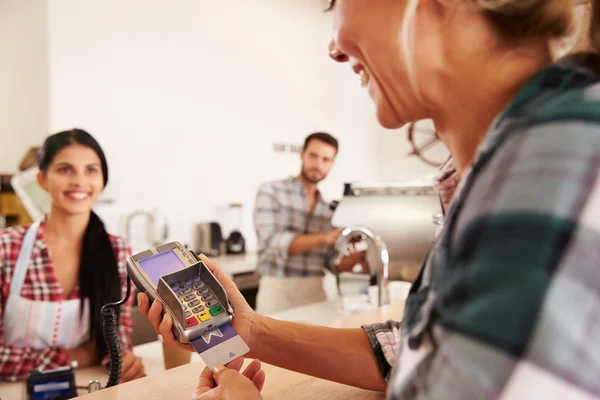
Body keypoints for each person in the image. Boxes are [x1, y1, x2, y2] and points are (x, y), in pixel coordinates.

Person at [141, 0, 600, 399]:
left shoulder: (549, 173)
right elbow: (413, 353)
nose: (334, 48)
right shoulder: (518, 164)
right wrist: (250, 329)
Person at [0, 129, 145, 383]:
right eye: (65, 169)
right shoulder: (7, 249)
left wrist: (123, 360)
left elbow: (118, 335)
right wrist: (69, 358)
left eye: (91, 170)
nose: (79, 181)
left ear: (102, 181)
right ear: (42, 179)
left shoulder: (118, 251)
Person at [253, 132, 366, 314]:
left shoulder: (327, 209)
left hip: (314, 293)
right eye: (313, 156)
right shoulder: (271, 191)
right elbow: (271, 242)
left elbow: (332, 263)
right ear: (302, 154)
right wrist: (325, 238)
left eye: (326, 159)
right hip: (277, 291)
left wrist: (362, 255)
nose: (318, 164)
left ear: (332, 164)